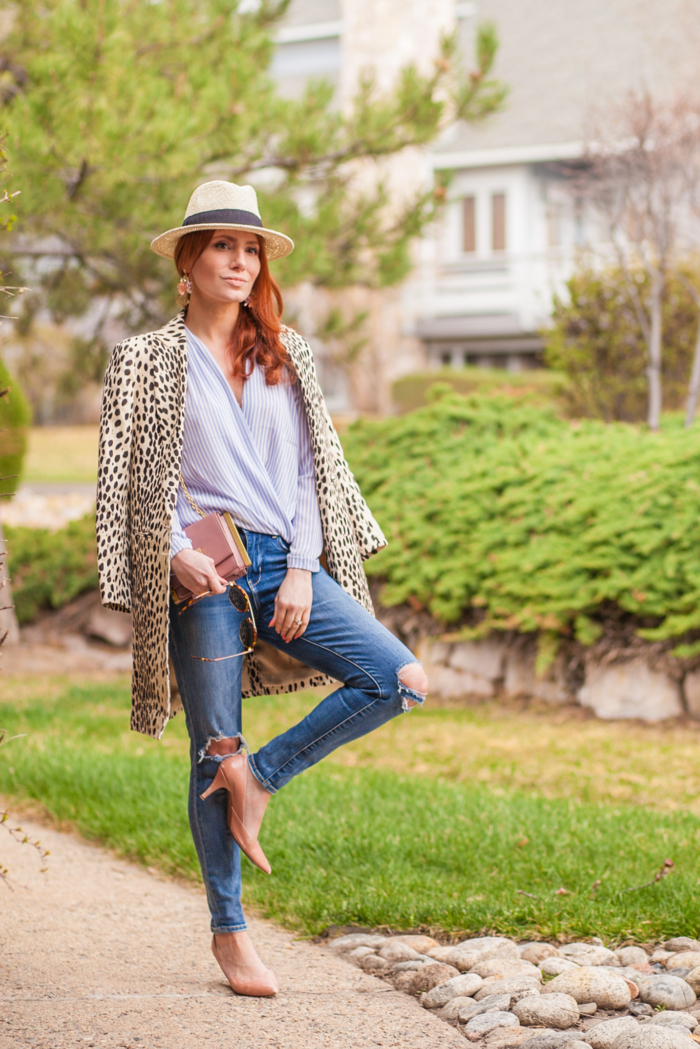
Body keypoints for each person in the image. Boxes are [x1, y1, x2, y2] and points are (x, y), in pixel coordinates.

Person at [96, 180, 429, 998]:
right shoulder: (147, 359)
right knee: (215, 746)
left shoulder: (289, 352)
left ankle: (264, 776)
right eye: (220, 245)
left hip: (285, 558)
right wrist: (174, 553)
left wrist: (307, 568)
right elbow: (131, 482)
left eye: (249, 250)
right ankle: (230, 930)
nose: (238, 261)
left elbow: (316, 472)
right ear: (188, 259)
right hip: (200, 569)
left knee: (398, 678)